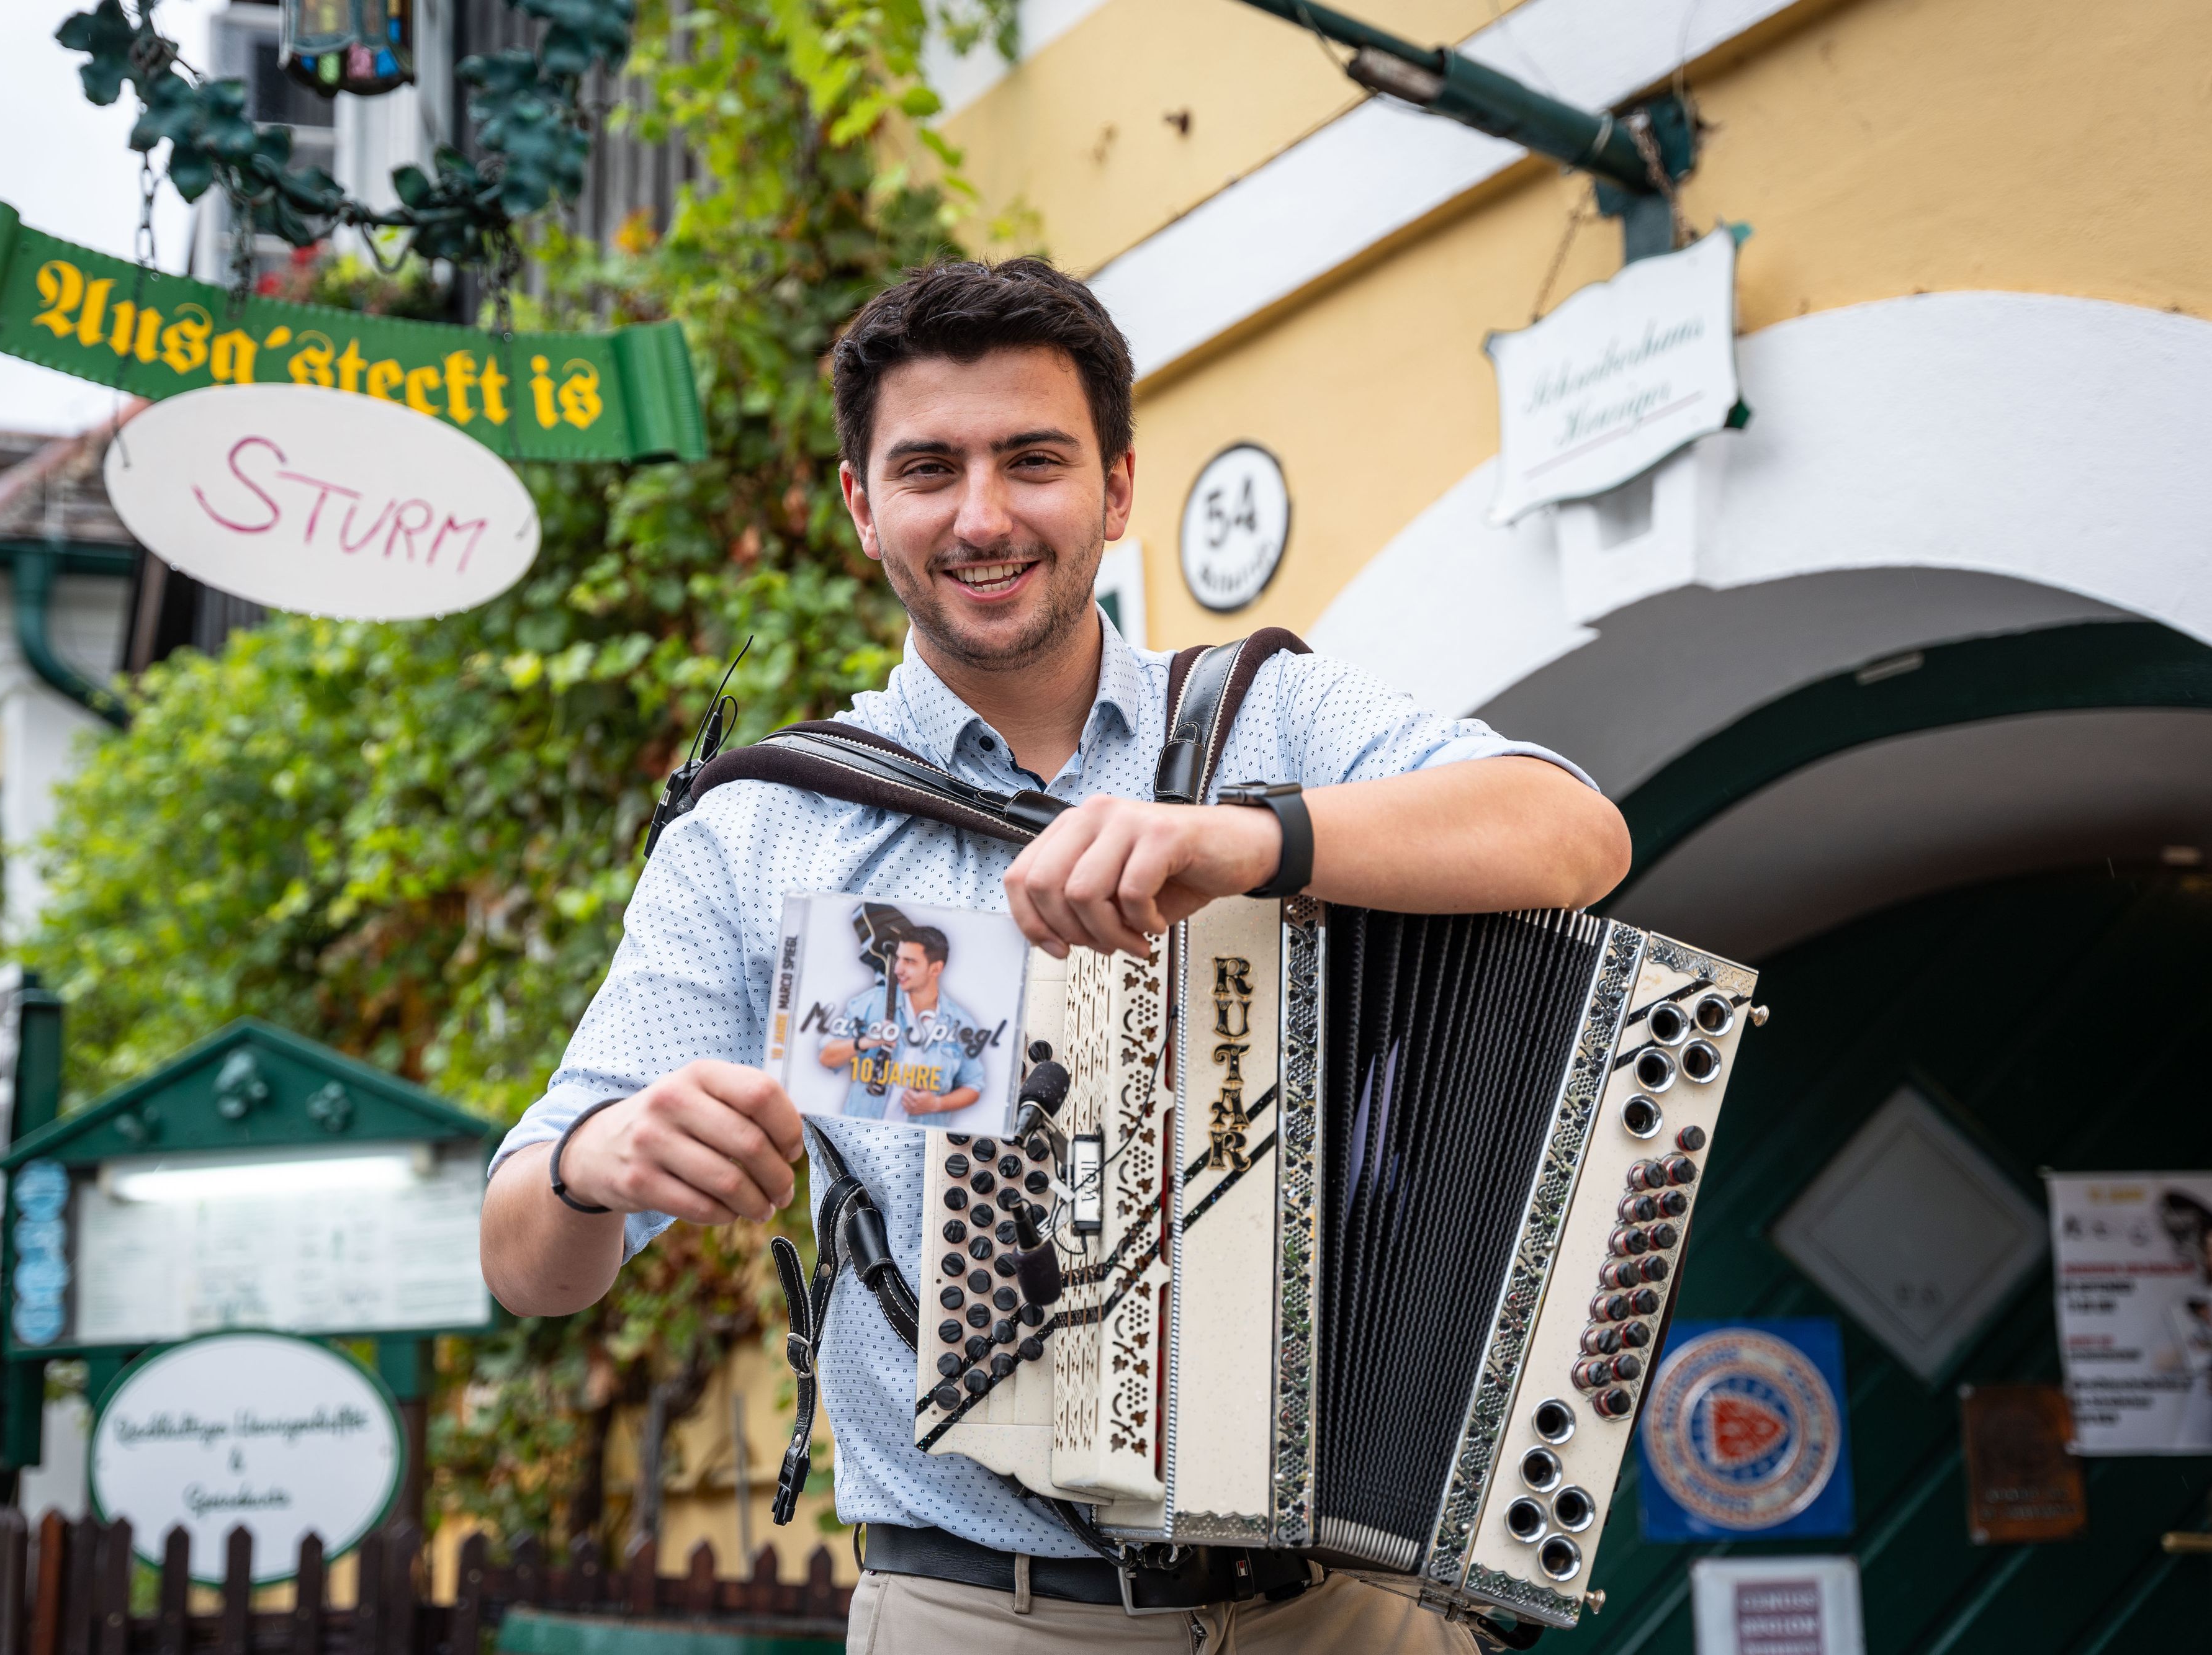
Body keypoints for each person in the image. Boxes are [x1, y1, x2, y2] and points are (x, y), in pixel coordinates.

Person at [480, 257, 1632, 1652]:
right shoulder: (764, 832)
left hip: (1345, 1607)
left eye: (1032, 459)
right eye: (926, 469)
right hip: (984, 1612)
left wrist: (1245, 840)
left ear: (1118, 485)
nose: (981, 515)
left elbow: (1571, 830)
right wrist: (586, 1166)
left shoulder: (1266, 722)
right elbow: (526, 1263)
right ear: (862, 504)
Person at [817, 926, 988, 1120]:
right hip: (858, 1137)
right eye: (898, 959)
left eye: (910, 961)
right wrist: (865, 1041)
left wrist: (937, 1104)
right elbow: (826, 1057)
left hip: (919, 1145)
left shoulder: (960, 1023)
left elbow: (973, 1086)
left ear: (936, 968)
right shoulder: (871, 1002)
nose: (898, 969)